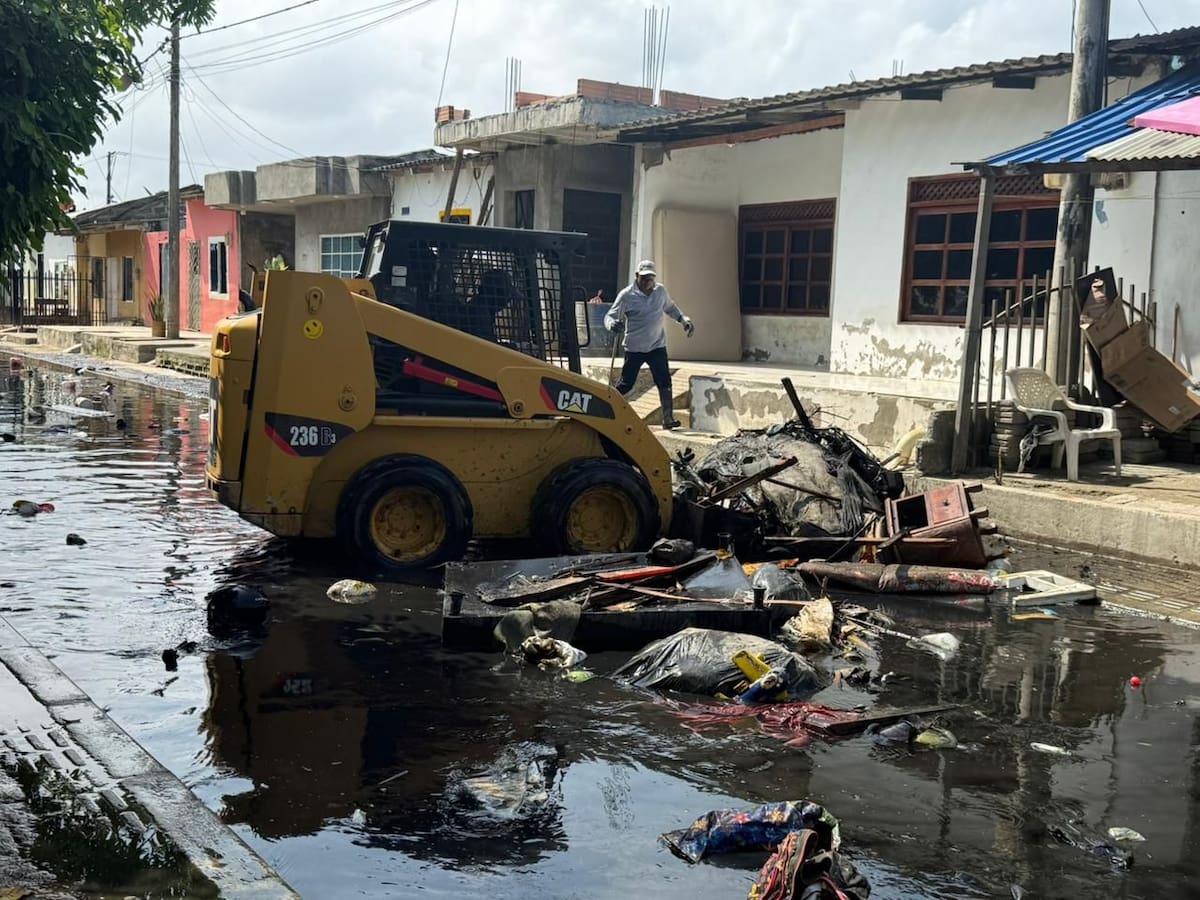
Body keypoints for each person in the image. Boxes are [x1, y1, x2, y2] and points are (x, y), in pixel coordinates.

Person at [605, 259, 694, 430]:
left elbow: (671, 308)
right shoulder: (626, 295)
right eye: (644, 278)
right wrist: (612, 325)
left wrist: (683, 320)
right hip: (635, 348)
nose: (648, 282)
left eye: (651, 278)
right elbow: (610, 315)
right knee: (626, 383)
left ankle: (668, 418)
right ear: (637, 276)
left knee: (664, 381)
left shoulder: (660, 291)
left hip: (656, 346)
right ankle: (607, 406)